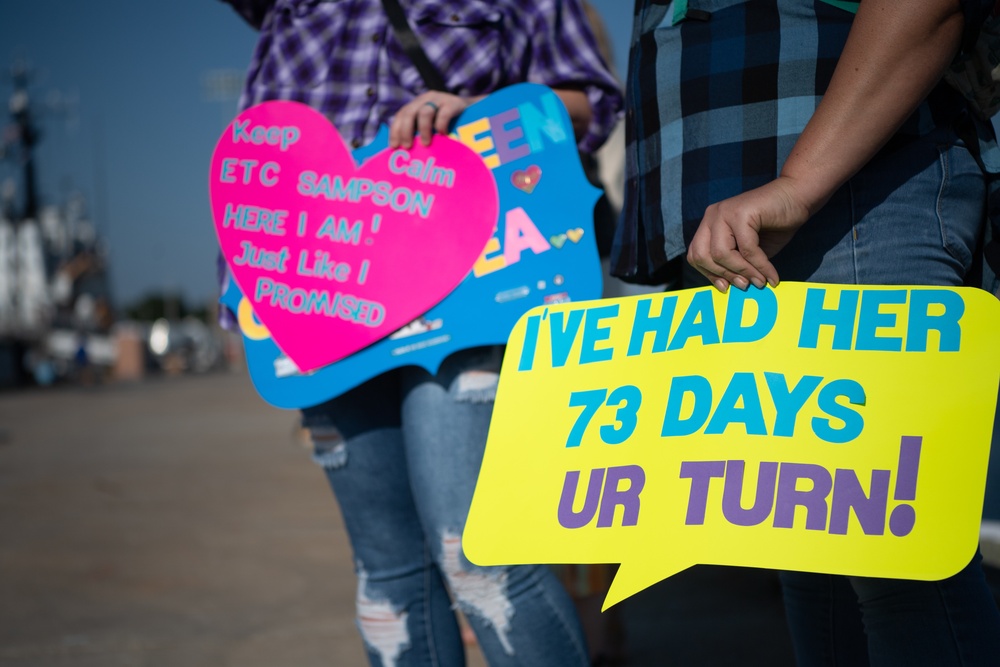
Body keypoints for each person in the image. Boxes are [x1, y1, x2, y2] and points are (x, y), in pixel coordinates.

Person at [218, 1, 623, 665]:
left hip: (466, 282)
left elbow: (591, 103)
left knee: (476, 556)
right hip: (320, 290)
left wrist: (479, 108)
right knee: (387, 575)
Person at [611, 0, 1000, 664]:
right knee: (808, 546)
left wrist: (801, 179)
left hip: (857, 178)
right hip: (731, 210)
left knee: (890, 553)